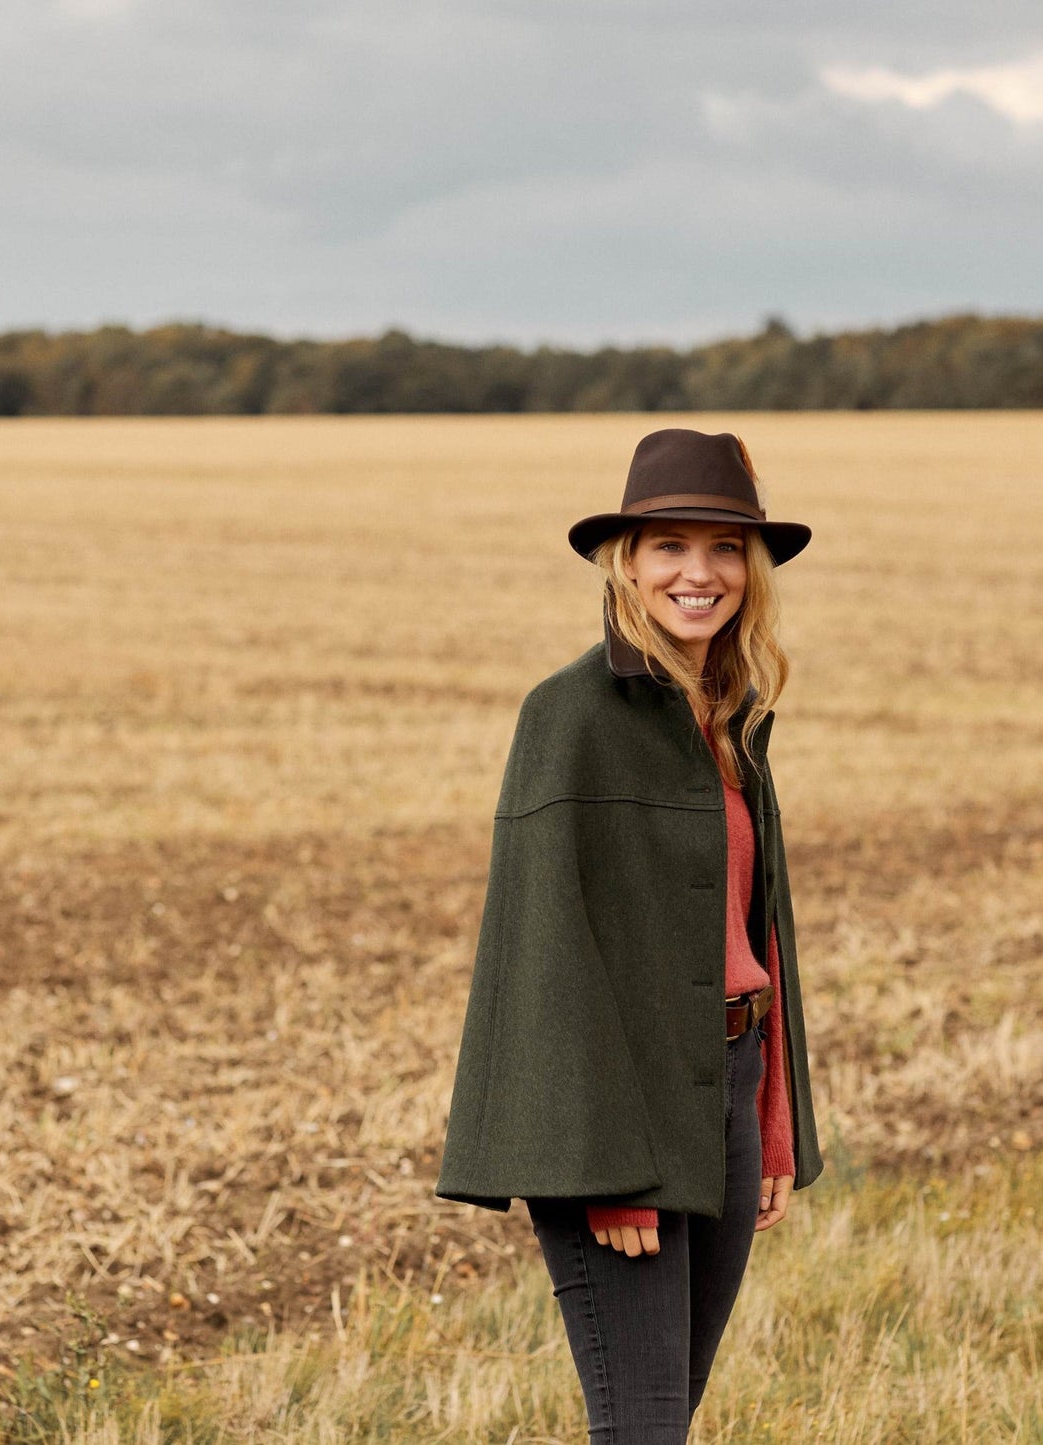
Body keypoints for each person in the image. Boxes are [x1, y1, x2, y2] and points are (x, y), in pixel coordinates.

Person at [434, 427, 823, 1443]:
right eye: (669, 546)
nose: (699, 573)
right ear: (626, 561)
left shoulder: (727, 716)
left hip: (728, 1087)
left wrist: (775, 1118)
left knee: (664, 1415)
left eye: (724, 547)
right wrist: (608, 1168)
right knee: (641, 1423)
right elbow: (548, 953)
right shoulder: (568, 715)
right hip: (616, 1117)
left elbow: (758, 930)